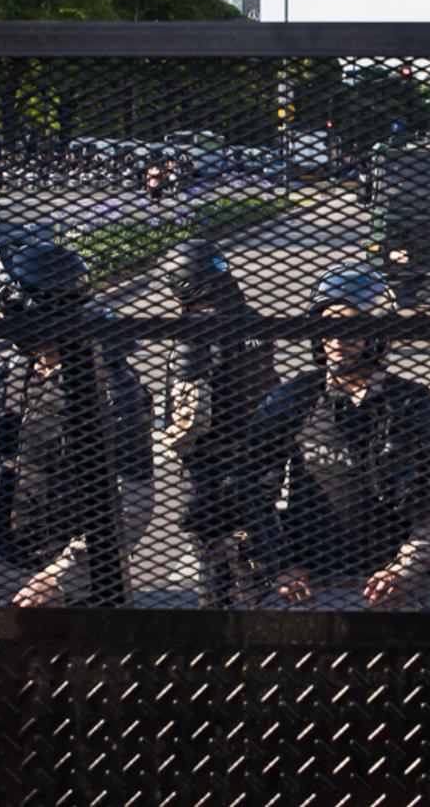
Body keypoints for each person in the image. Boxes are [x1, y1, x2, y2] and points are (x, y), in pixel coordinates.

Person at [245, 264, 430, 610]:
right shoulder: (294, 399)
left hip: (389, 580)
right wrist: (281, 567)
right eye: (328, 324)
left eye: (352, 324)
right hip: (309, 578)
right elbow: (256, 490)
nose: (337, 337)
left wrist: (403, 571)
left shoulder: (412, 404)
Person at [0, 241, 155, 606]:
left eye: (8, 309)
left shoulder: (109, 387)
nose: (1, 319)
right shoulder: (17, 369)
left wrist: (60, 578)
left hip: (65, 582)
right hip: (2, 555)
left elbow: (134, 500)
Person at [153, 239, 280, 606]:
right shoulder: (251, 319)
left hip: (211, 461)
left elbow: (193, 410)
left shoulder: (197, 332)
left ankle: (219, 619)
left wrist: (171, 445)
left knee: (213, 547)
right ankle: (261, 604)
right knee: (256, 533)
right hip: (256, 452)